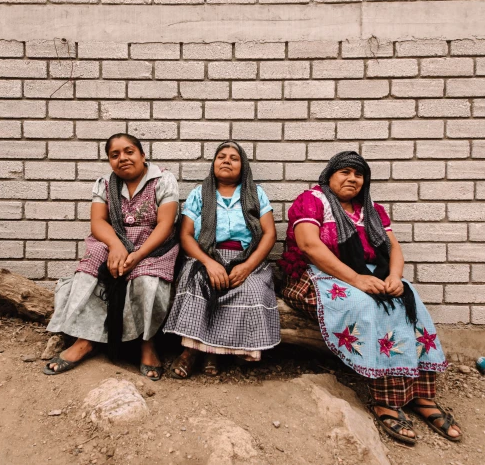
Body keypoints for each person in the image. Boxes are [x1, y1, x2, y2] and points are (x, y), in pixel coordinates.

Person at [279, 151, 461, 444]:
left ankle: (422, 396)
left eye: (358, 174)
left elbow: (393, 248)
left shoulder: (371, 210)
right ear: (329, 176)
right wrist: (357, 280)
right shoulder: (312, 201)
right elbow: (309, 246)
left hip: (369, 274)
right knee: (369, 306)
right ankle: (386, 400)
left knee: (409, 302)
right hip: (313, 277)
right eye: (345, 172)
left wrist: (394, 277)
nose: (352, 179)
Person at [44, 133, 179, 381]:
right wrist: (116, 246)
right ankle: (86, 340)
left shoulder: (163, 179)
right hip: (111, 241)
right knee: (88, 275)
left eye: (129, 151)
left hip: (152, 246)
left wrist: (137, 255)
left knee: (147, 283)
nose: (122, 158)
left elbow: (166, 224)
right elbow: (97, 222)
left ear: (142, 154)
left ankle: (146, 343)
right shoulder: (105, 184)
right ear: (109, 161)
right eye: (114, 155)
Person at [163, 141, 279, 377]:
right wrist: (208, 262)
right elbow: (185, 235)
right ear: (214, 164)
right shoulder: (199, 194)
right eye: (221, 157)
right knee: (198, 283)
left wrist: (246, 267)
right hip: (205, 256)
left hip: (246, 258)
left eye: (233, 158)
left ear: (243, 166)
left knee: (253, 290)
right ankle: (190, 351)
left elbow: (269, 234)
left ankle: (216, 352)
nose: (226, 161)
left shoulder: (255, 194)